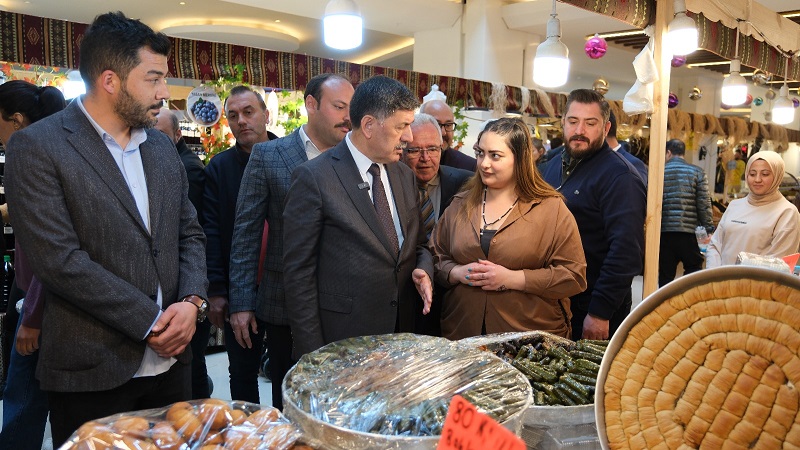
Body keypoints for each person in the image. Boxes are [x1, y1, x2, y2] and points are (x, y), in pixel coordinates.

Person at [3, 12, 208, 446]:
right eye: (153, 79)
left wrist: (192, 301)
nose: (163, 93)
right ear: (110, 80)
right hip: (92, 369)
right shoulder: (38, 147)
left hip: (173, 368)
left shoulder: (160, 147)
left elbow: (188, 232)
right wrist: (152, 322)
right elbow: (60, 261)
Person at [283, 75, 434, 358]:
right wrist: (315, 355)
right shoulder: (315, 178)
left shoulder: (403, 175)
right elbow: (298, 276)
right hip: (342, 344)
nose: (409, 137)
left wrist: (423, 269)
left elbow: (420, 244)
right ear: (368, 125)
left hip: (401, 339)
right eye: (402, 126)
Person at [229, 73, 354, 409]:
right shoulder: (269, 156)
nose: (348, 116)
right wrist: (240, 303)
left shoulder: (356, 157)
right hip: (284, 302)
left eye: (351, 108)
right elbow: (246, 234)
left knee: (339, 398)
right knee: (290, 399)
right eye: (339, 106)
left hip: (345, 303)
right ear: (311, 105)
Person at [430, 118, 586, 340]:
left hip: (529, 342)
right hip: (463, 335)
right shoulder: (460, 203)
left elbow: (573, 276)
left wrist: (512, 279)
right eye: (480, 153)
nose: (484, 164)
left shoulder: (551, 209)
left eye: (495, 156)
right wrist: (456, 273)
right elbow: (435, 254)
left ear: (520, 159)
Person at [541, 89, 646, 341]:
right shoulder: (552, 165)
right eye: (573, 121)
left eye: (590, 123)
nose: (580, 130)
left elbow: (625, 251)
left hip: (592, 305)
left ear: (606, 127)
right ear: (563, 123)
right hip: (552, 299)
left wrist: (600, 312)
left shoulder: (621, 177)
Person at [0, 80, 65, 450]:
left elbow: (51, 250)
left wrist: (32, 316)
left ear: (18, 120)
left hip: (39, 298)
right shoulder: (56, 150)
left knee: (23, 399)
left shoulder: (29, 156)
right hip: (40, 296)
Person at [202, 85, 277, 404]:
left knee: (289, 370)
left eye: (248, 112)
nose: (241, 121)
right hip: (240, 287)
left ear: (266, 114)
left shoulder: (291, 157)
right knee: (243, 371)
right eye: (233, 116)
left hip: (286, 287)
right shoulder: (220, 168)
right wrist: (217, 290)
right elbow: (211, 231)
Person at [155, 108, 211, 399]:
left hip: (185, 291)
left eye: (161, 133)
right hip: (178, 296)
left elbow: (192, 234)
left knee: (192, 365)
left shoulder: (186, 167)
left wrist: (193, 299)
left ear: (177, 135)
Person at [400, 113, 472, 336]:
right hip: (404, 297)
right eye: (414, 150)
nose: (425, 158)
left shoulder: (466, 183)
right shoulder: (388, 185)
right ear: (401, 149)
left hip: (451, 298)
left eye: (432, 149)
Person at [706, 150, 800, 268]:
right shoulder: (735, 205)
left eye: (765, 174)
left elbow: (779, 263)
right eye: (752, 174)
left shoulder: (786, 212)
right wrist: (715, 275)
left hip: (756, 285)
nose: (757, 179)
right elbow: (715, 245)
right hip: (723, 283)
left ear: (777, 176)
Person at [659, 139, 713, 286]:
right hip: (688, 233)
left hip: (664, 232)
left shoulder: (658, 172)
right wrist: (709, 227)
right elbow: (704, 203)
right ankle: (687, 302)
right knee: (693, 269)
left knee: (665, 275)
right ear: (683, 153)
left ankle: (664, 306)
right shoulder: (697, 172)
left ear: (668, 152)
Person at [155, 109, 205, 215]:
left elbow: (192, 217)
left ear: (177, 135)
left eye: (160, 134)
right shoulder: (168, 159)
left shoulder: (188, 168)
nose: (154, 139)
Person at [419, 99, 476, 171]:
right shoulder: (406, 162)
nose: (443, 133)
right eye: (437, 124)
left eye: (448, 125)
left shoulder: (468, 166)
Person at [606, 111, 648, 187]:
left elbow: (635, 196)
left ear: (606, 128)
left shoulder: (633, 164)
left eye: (590, 124)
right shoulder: (589, 162)